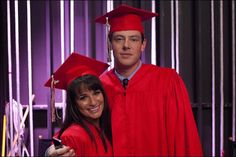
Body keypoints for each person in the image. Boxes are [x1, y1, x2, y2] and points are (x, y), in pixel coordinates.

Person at [47, 4, 203, 156]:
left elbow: (185, 136)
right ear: (110, 44)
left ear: (143, 44)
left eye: (134, 39)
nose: (126, 46)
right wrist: (51, 150)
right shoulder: (100, 88)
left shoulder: (168, 81)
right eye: (119, 39)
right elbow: (80, 128)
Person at [44, 52, 112, 156]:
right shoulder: (71, 137)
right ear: (74, 103)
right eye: (83, 97)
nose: (93, 102)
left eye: (96, 93)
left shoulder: (105, 129)